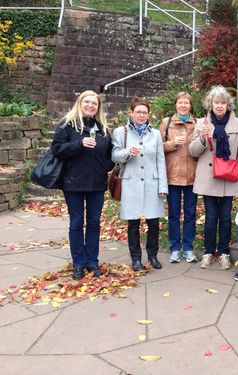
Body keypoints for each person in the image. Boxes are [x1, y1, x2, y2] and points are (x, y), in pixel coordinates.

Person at [51, 90, 114, 280]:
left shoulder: (103, 128)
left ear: (98, 107)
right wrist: (78, 144)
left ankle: (92, 262)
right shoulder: (67, 125)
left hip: (96, 183)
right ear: (80, 103)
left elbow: (110, 156)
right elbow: (56, 149)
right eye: (87, 102)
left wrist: (104, 168)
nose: (90, 105)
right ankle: (78, 263)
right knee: (77, 223)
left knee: (94, 223)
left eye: (94, 103)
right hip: (73, 183)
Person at [189, 85, 238, 270]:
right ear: (211, 104)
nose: (220, 106)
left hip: (229, 177)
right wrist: (202, 139)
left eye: (223, 102)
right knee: (210, 217)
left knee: (225, 217)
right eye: (216, 102)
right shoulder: (202, 123)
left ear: (228, 105)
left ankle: (224, 253)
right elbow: (192, 151)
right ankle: (208, 252)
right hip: (209, 178)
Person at [112, 97, 168, 272]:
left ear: (148, 114)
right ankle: (136, 258)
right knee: (133, 223)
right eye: (138, 112)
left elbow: (161, 161)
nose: (141, 115)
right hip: (131, 183)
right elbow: (114, 155)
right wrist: (128, 152)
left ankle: (153, 255)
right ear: (131, 113)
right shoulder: (121, 132)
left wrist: (162, 186)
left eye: (144, 112)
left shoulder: (156, 134)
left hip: (152, 182)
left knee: (153, 222)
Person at [159, 92, 198, 264]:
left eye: (186, 103)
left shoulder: (198, 123)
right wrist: (172, 144)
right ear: (175, 105)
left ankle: (188, 247)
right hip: (172, 176)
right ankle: (175, 248)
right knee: (174, 214)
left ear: (190, 106)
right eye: (180, 103)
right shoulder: (166, 123)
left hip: (192, 176)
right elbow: (157, 147)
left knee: (190, 214)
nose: (183, 106)